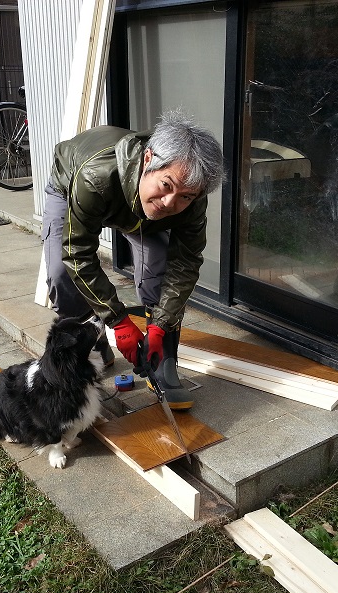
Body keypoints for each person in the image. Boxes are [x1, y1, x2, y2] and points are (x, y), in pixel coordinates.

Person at [42, 109, 225, 410]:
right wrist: (118, 321)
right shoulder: (95, 177)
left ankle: (162, 363)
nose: (169, 202)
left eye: (185, 196)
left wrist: (160, 326)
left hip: (136, 202)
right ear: (148, 159)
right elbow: (77, 252)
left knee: (160, 271)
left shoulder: (190, 195)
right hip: (75, 186)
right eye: (166, 185)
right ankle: (92, 346)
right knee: (62, 273)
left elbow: (185, 264)